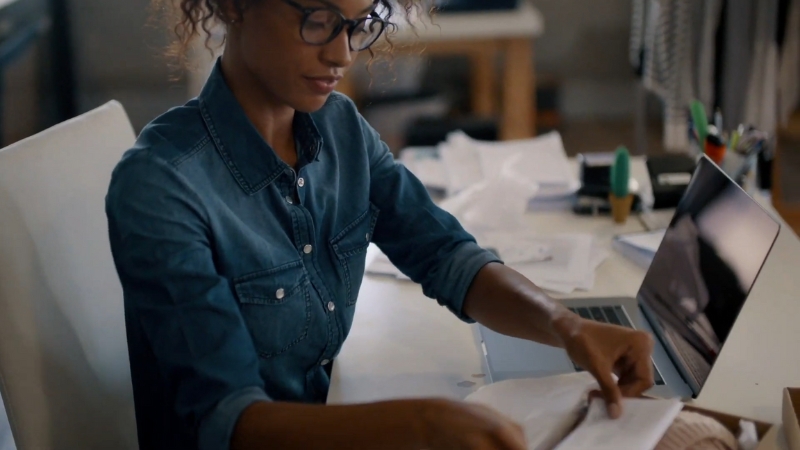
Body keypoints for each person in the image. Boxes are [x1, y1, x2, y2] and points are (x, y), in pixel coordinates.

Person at [105, 0, 655, 448]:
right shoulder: (162, 185)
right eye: (316, 20)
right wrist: (420, 425)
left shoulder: (340, 127)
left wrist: (568, 328)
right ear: (234, 6)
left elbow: (446, 255)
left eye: (356, 25)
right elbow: (229, 422)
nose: (342, 53)